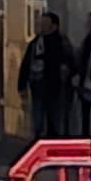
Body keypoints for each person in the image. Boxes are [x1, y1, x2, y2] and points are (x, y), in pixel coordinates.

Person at [24, 10, 78, 143]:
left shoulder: (62, 44)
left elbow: (69, 63)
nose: (41, 26)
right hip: (38, 85)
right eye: (41, 23)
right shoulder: (36, 43)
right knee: (38, 118)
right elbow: (27, 62)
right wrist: (22, 83)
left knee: (54, 117)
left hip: (55, 87)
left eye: (45, 24)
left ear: (54, 26)